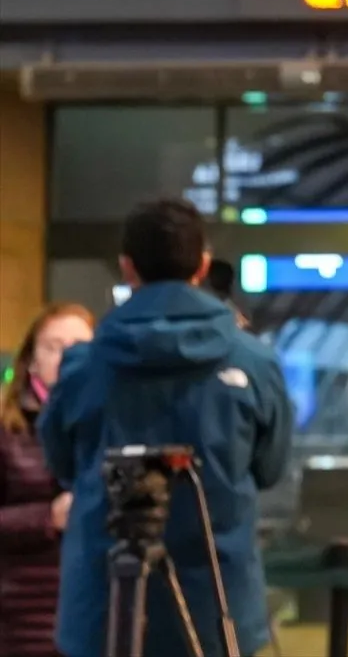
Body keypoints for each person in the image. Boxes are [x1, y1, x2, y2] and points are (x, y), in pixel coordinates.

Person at [38, 198, 291, 657]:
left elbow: (61, 465)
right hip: (218, 605)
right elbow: (270, 468)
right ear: (203, 266)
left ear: (127, 268)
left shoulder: (82, 367)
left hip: (103, 608)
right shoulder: (253, 363)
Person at [1, 303, 95, 657]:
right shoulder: (7, 430)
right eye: (54, 347)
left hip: (97, 614)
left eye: (79, 347)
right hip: (25, 617)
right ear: (32, 360)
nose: (67, 358)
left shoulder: (113, 425)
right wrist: (47, 518)